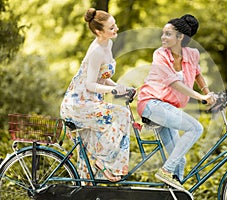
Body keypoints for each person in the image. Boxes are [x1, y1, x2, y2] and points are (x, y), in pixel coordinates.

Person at [137, 14, 215, 190]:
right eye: (163, 33)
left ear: (180, 37)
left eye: (168, 34)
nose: (163, 37)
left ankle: (172, 193)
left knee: (179, 161)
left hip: (168, 108)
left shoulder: (192, 54)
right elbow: (174, 82)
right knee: (196, 128)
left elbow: (197, 74)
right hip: (151, 104)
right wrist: (201, 97)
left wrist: (207, 93)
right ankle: (165, 171)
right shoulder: (160, 54)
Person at [60, 8, 131, 182]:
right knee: (122, 114)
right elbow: (90, 84)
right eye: (111, 28)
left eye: (115, 25)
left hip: (91, 102)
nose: (116, 30)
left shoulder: (109, 44)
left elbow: (104, 77)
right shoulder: (96, 51)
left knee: (89, 147)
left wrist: (120, 87)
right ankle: (105, 162)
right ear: (99, 31)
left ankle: (87, 188)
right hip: (78, 104)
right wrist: (112, 90)